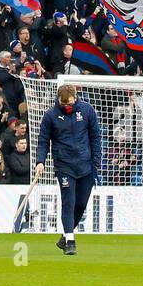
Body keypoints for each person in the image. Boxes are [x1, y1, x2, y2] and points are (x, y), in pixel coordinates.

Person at [35, 83, 101, 256]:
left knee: (81, 204)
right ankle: (70, 241)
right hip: (64, 165)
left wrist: (96, 160)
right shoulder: (50, 115)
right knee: (68, 202)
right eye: (64, 104)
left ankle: (64, 235)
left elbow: (95, 136)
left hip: (86, 165)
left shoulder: (87, 110)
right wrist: (40, 161)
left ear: (76, 96)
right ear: (59, 99)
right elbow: (43, 141)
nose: (67, 106)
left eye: (70, 102)